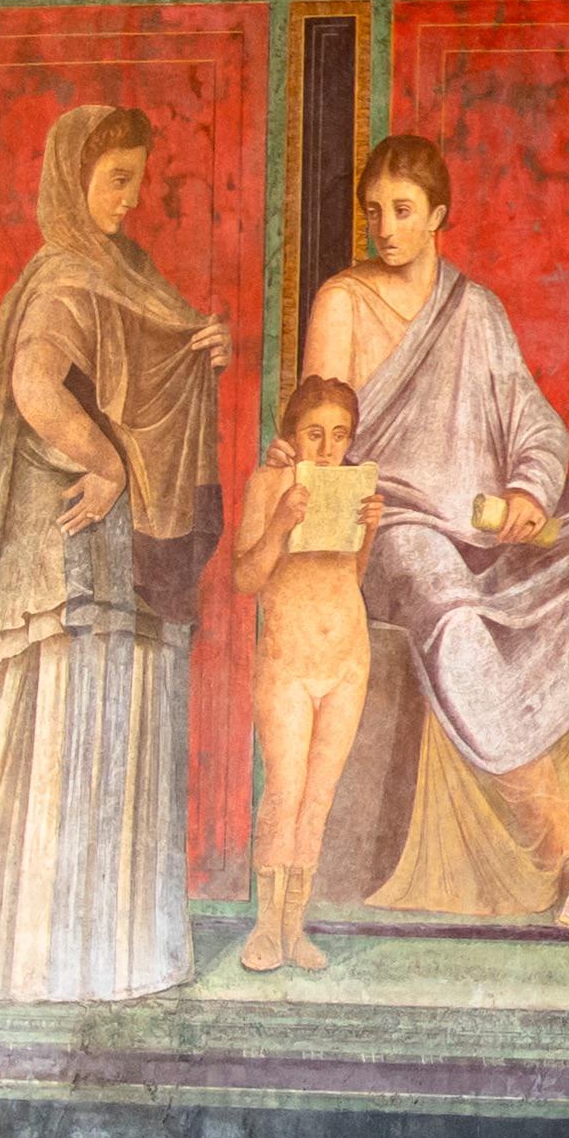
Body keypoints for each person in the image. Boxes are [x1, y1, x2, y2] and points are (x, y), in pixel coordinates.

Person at [0, 102, 234, 1004]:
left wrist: (208, 340)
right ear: (70, 179)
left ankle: (124, 952)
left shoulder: (125, 269)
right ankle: (53, 956)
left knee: (126, 730)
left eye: (137, 179)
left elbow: (158, 351)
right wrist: (104, 462)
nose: (130, 199)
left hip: (132, 555)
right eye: (115, 179)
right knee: (76, 730)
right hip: (76, 545)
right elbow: (34, 386)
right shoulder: (62, 279)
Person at [302, 131, 569, 910]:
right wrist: (325, 564)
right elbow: (320, 440)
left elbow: (537, 424)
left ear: (438, 216)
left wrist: (527, 490)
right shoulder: (341, 301)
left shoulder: (476, 309)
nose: (385, 227)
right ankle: (565, 848)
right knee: (452, 615)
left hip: (487, 532)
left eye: (403, 210)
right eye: (374, 211)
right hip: (393, 528)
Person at [228, 375, 385, 975]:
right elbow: (245, 578)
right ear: (292, 434)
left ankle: (295, 928)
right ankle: (266, 927)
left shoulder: (353, 487)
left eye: (339, 436)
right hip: (288, 660)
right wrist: (280, 523)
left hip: (348, 656)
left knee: (318, 800)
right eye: (315, 434)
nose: (327, 448)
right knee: (285, 793)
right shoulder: (269, 484)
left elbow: (355, 574)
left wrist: (369, 528)